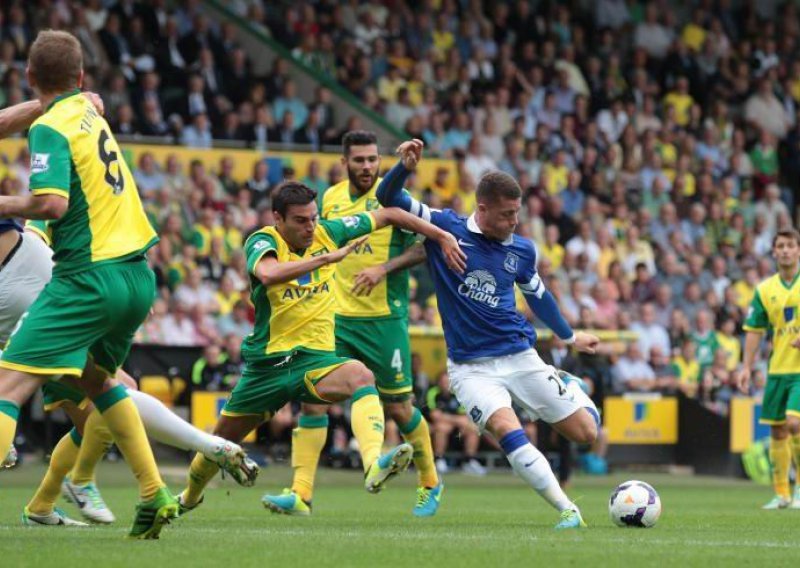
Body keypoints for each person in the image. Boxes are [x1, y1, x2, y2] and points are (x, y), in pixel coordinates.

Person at [176, 181, 465, 516]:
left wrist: (441, 235)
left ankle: (372, 463)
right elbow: (269, 274)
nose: (311, 226)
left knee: (360, 376)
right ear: (278, 219)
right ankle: (188, 497)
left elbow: (390, 213)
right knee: (219, 443)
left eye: (313, 218)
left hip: (313, 360)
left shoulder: (329, 230)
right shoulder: (263, 240)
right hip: (267, 367)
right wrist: (327, 259)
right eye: (301, 220)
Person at [0, 30, 176, 539]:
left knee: (8, 385)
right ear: (81, 77)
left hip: (88, 279)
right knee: (100, 381)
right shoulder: (88, 113)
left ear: (30, 78)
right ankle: (153, 491)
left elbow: (50, 205)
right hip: (138, 274)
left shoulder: (52, 126)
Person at [377, 139, 601, 530]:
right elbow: (388, 197)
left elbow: (540, 296)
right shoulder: (444, 226)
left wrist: (568, 338)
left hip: (519, 356)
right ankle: (568, 510)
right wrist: (404, 167)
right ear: (482, 209)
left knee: (586, 433)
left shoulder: (522, 250)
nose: (514, 222)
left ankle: (566, 382)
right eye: (506, 214)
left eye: (517, 213)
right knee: (504, 427)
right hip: (470, 368)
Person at [263, 131, 441, 517]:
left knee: (399, 408)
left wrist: (383, 267)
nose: (367, 167)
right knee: (313, 398)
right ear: (344, 162)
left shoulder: (395, 197)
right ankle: (301, 493)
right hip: (337, 318)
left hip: (384, 318)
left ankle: (430, 482)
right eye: (359, 160)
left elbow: (425, 247)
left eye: (372, 159)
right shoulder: (328, 199)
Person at [737, 229, 800, 509]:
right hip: (777, 370)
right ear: (774, 252)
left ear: (798, 250)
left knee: (794, 423)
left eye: (790, 246)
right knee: (777, 432)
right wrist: (746, 367)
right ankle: (782, 494)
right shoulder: (764, 290)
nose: (785, 250)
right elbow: (754, 331)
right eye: (781, 246)